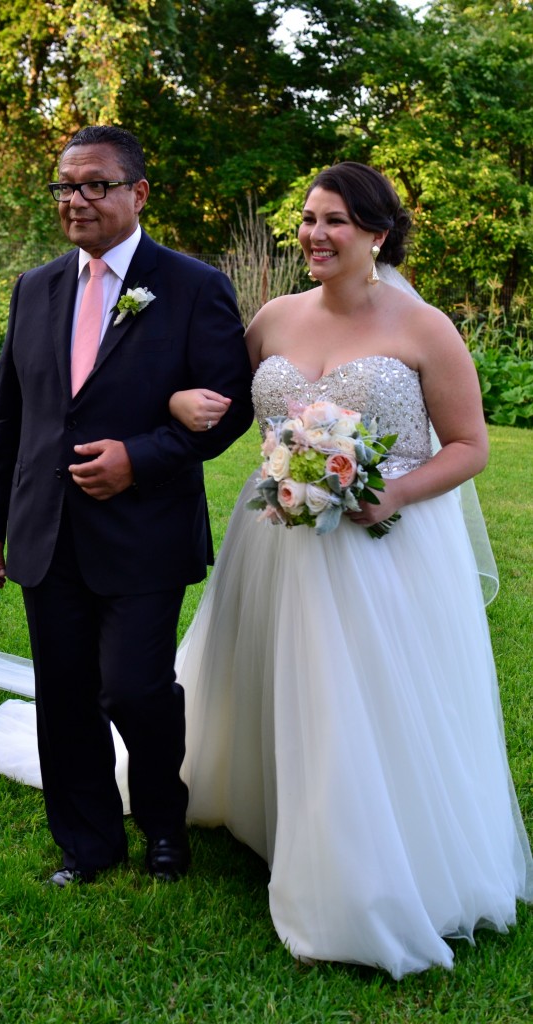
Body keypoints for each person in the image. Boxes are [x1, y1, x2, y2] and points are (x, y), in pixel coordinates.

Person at [163, 160, 532, 977]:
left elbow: (471, 447)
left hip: (385, 548)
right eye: (306, 218)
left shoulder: (424, 326)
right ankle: (266, 811)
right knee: (279, 681)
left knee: (358, 703)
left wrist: (390, 491)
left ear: (376, 232)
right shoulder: (271, 319)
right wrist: (176, 404)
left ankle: (360, 871)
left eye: (334, 220)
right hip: (278, 539)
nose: (314, 235)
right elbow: (217, 407)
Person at [0, 125, 254, 887]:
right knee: (63, 697)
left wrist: (140, 458)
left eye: (95, 184)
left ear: (138, 192)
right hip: (44, 529)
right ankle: (88, 845)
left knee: (133, 687)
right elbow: (11, 416)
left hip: (144, 532)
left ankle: (164, 820)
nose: (76, 199)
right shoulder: (35, 288)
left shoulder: (194, 286)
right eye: (65, 185)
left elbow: (229, 411)